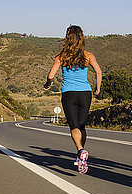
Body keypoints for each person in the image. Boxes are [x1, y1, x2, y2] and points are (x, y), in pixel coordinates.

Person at [44, 25, 102, 174]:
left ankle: (80, 150)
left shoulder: (61, 56)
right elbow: (98, 71)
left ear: (67, 38)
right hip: (85, 94)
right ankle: (80, 156)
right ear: (81, 37)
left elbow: (51, 75)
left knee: (74, 126)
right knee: (82, 126)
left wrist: (48, 84)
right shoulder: (88, 55)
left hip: (69, 93)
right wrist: (98, 89)